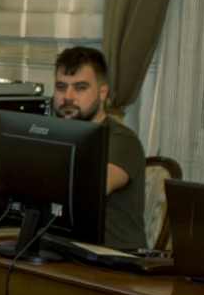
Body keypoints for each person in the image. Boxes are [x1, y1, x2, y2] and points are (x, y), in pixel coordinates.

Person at [53, 46, 147, 251]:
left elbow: (91, 190)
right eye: (61, 87)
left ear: (103, 93)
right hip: (64, 249)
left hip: (114, 257)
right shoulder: (51, 134)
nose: (68, 96)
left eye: (80, 88)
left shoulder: (122, 140)